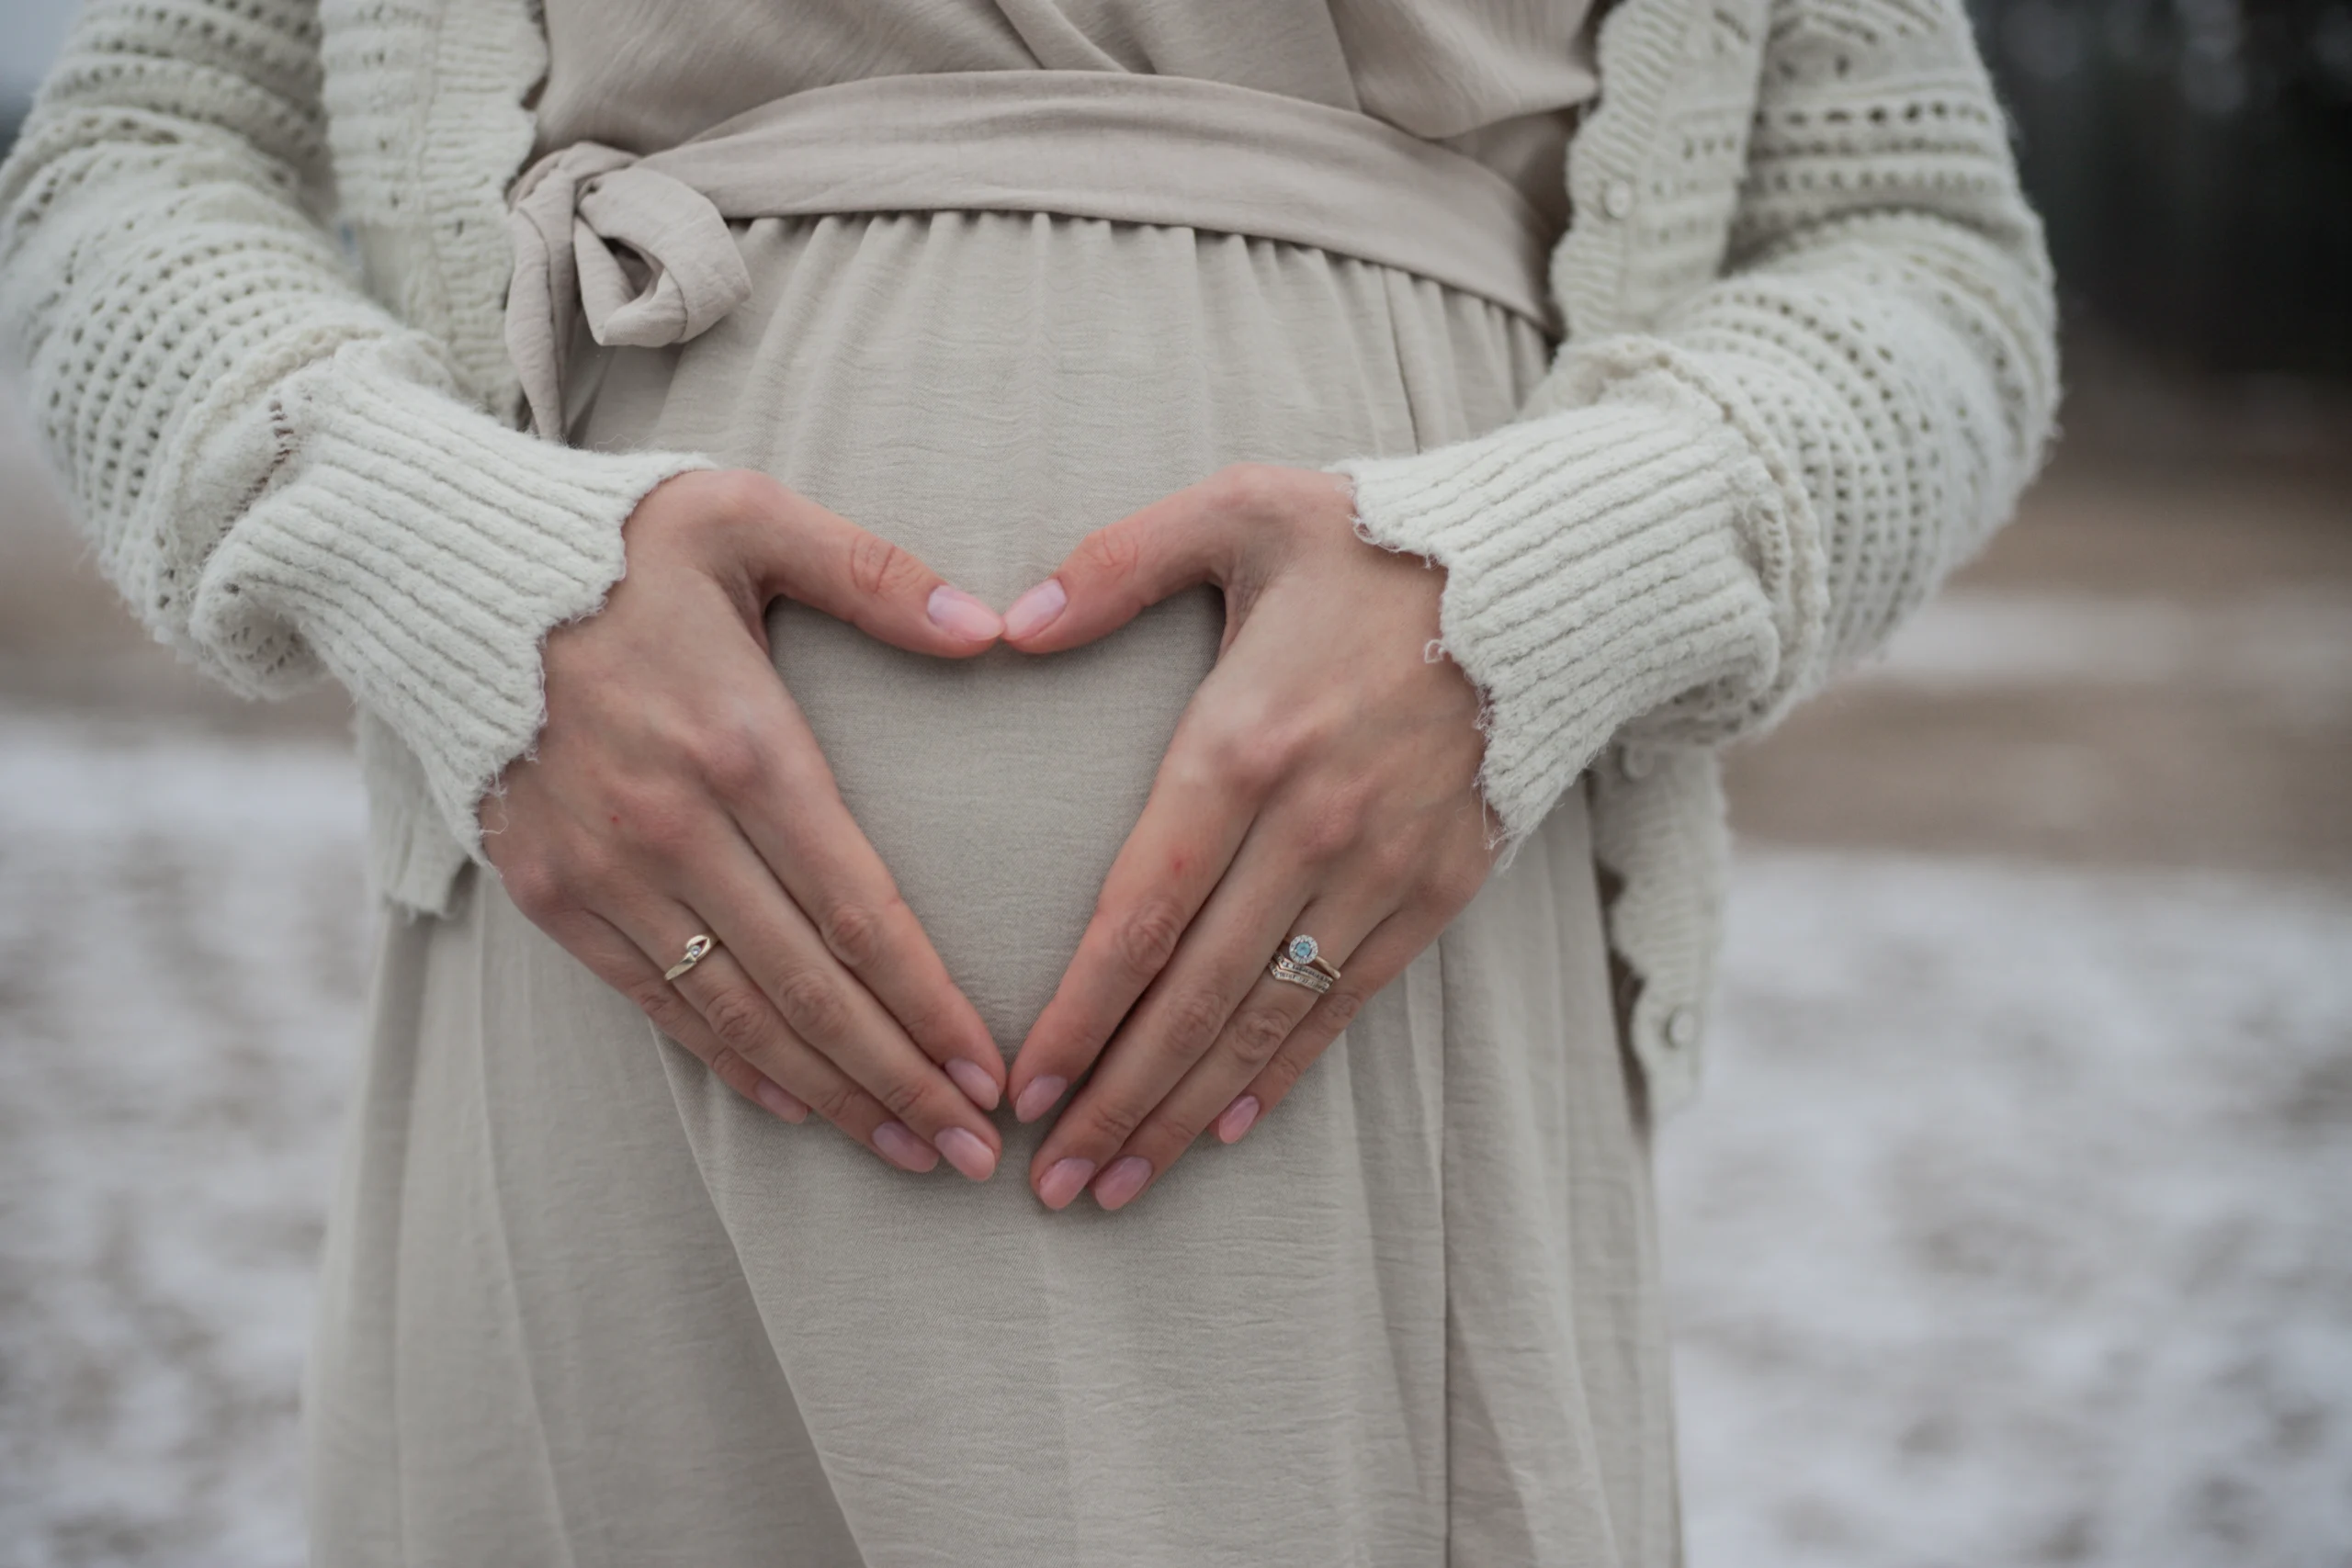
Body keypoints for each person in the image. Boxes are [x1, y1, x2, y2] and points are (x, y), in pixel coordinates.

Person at [0, 0, 2055, 1560]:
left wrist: (1568, 568)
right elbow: (128, 161)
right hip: (605, 950)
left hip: (1385, 992)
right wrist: (397, 532)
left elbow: (1920, 261)